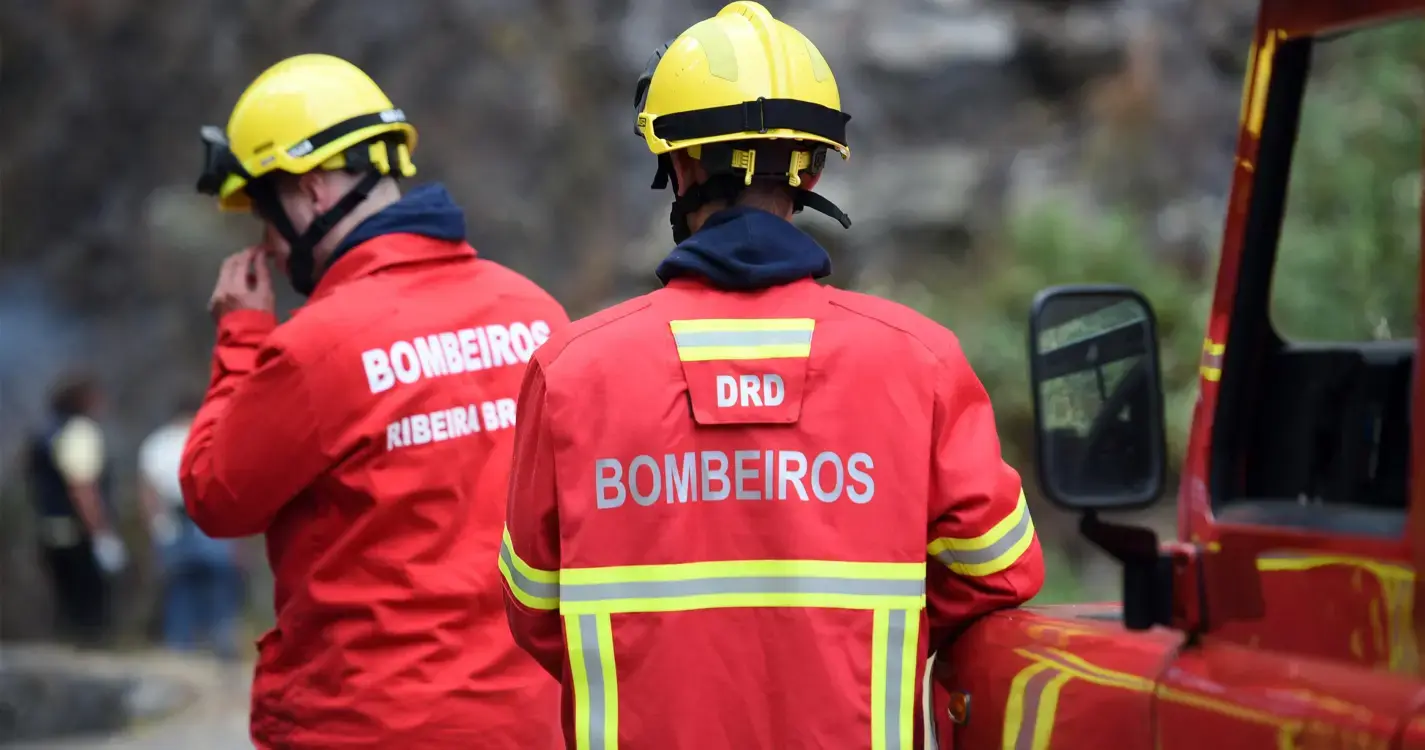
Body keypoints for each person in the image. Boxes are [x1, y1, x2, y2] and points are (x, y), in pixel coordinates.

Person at [500, 4, 1046, 748]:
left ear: (679, 167)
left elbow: (535, 607)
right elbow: (999, 574)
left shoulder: (571, 372)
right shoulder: (918, 361)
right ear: (812, 169)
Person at [181, 53, 566, 749]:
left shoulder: (316, 347)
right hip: (531, 721)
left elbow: (215, 495)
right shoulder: (536, 313)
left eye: (266, 214)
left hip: (368, 723)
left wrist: (241, 335)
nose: (268, 245)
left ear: (311, 190)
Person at [139, 394, 245, 662]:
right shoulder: (205, 438)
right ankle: (206, 645)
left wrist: (156, 524)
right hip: (197, 515)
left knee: (189, 583)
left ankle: (188, 646)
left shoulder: (158, 443)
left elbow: (148, 491)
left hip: (182, 517)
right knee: (206, 583)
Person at [27, 373, 126, 646]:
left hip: (49, 527)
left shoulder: (46, 433)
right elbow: (82, 487)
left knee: (65, 601)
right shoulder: (80, 432)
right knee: (90, 604)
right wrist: (101, 532)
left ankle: (68, 646)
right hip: (78, 530)